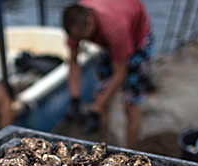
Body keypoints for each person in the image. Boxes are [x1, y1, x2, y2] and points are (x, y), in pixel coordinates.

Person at [62, 0, 153, 148]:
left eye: (83, 38)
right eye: (77, 39)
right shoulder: (75, 23)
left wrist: (96, 108)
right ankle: (104, 147)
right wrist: (74, 99)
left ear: (91, 22)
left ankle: (132, 152)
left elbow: (120, 74)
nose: (81, 42)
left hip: (136, 38)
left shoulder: (115, 28)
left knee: (130, 103)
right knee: (101, 94)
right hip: (108, 37)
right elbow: (73, 62)